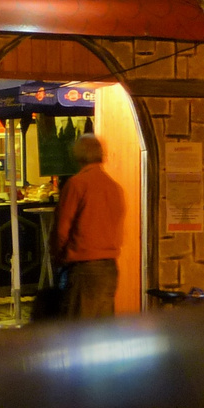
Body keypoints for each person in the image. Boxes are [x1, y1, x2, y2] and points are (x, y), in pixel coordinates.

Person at [50, 134, 125, 319]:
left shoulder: (77, 184)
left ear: (78, 155)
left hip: (84, 268)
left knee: (79, 332)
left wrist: (59, 257)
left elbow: (62, 229)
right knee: (102, 334)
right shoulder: (114, 187)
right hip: (109, 268)